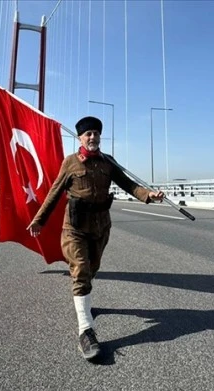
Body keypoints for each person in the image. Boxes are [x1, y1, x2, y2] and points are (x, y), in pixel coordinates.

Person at [27, 116, 165, 361]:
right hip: (75, 228)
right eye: (88, 134)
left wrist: (149, 195)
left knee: (92, 269)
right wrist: (40, 219)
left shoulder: (107, 162)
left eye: (96, 133)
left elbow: (129, 185)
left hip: (101, 227)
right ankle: (85, 330)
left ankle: (85, 303)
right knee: (80, 269)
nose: (92, 137)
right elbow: (55, 192)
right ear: (80, 138)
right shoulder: (70, 163)